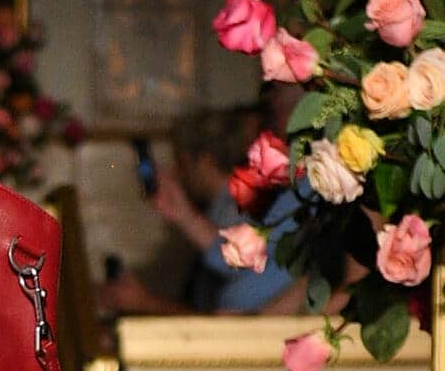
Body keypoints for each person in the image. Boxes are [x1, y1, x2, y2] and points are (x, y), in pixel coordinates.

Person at [95, 98, 356, 321]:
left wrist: (144, 303)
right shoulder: (286, 192)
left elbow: (300, 283)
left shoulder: (309, 189)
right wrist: (182, 212)